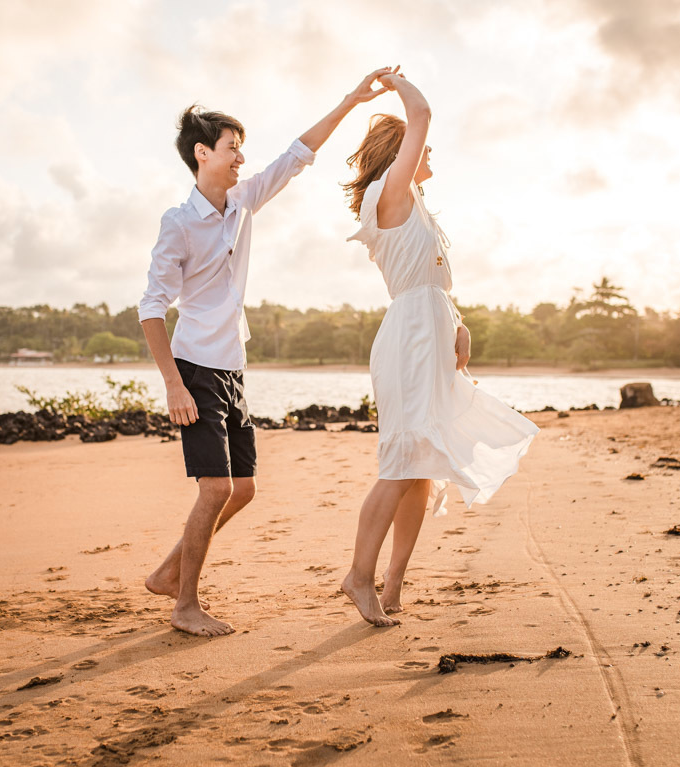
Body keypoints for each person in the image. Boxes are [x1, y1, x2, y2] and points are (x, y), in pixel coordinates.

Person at [139, 69, 396, 637]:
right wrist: (173, 384)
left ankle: (168, 570)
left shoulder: (243, 201)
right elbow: (151, 308)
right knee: (217, 488)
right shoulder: (178, 224)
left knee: (244, 488)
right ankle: (184, 606)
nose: (240, 159)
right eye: (232, 150)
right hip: (195, 367)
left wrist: (352, 99)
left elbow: (297, 154)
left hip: (231, 365)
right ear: (202, 154)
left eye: (241, 150)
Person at [340, 72, 540, 627]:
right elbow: (421, 115)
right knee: (403, 458)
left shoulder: (417, 206)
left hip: (429, 330)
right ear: (400, 154)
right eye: (422, 150)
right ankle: (358, 576)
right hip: (409, 340)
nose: (430, 156)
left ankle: (393, 582)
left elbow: (432, 282)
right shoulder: (392, 193)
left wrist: (458, 323)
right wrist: (395, 82)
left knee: (422, 464)